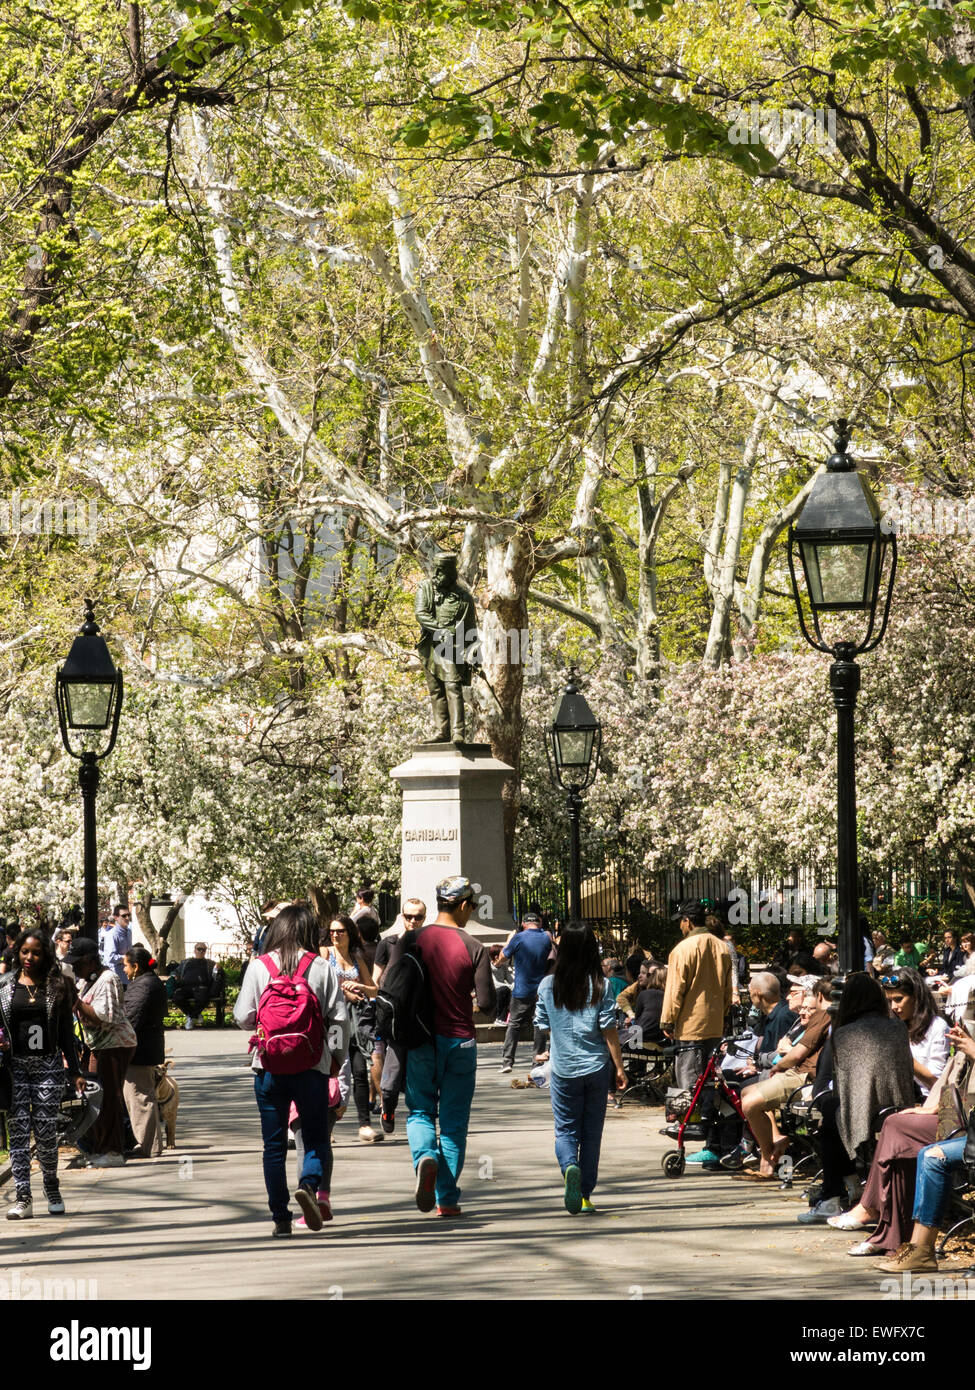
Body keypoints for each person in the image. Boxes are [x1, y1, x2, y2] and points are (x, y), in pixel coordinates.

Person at [234, 902, 350, 1235]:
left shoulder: (259, 967)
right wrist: (336, 1058)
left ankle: (280, 1218)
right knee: (314, 1137)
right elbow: (339, 1020)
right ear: (309, 933)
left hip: (268, 1067)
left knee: (272, 1146)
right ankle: (310, 1187)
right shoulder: (322, 967)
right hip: (312, 1066)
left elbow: (243, 1017)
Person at [387, 875, 495, 1217]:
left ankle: (425, 1158)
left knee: (419, 1111)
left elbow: (392, 986)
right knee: (453, 1124)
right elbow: (490, 1003)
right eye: (472, 906)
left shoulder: (413, 939)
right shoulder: (473, 947)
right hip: (460, 1041)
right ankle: (447, 1199)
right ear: (463, 905)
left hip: (420, 1040)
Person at [830, 1015, 975, 1258]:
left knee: (912, 1142)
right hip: (960, 1118)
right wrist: (932, 1107)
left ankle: (879, 1218)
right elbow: (954, 1082)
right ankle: (890, 1235)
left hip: (967, 1128)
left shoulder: (936, 1027)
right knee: (897, 1129)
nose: (895, 1007)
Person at [799, 972, 915, 1222]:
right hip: (898, 1104)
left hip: (864, 1112)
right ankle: (847, 1186)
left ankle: (835, 1193)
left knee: (829, 1115)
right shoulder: (897, 1027)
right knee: (832, 1116)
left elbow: (844, 1085)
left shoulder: (843, 1034)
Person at [534, 921, 627, 1214]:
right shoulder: (602, 985)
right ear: (591, 950)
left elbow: (541, 1024)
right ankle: (585, 1194)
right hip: (596, 1067)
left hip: (563, 1068)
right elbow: (609, 1030)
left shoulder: (548, 985)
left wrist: (549, 1050)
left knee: (565, 1130)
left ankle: (569, 1167)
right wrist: (620, 1068)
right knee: (591, 1134)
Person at [0, 928, 85, 1219]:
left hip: (48, 1066)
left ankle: (51, 1186)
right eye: (25, 951)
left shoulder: (56, 986)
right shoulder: (5, 986)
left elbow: (64, 1033)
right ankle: (23, 1196)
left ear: (45, 954)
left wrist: (74, 1070)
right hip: (15, 1068)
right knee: (19, 1132)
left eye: (36, 952)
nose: (29, 957)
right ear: (17, 952)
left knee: (47, 1131)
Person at [738, 984, 830, 1179]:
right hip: (795, 1072)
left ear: (820, 996)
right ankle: (775, 1141)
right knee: (746, 1092)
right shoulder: (813, 1019)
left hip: (803, 1077)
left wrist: (777, 1066)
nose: (803, 1012)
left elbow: (797, 1054)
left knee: (750, 1103)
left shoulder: (824, 1016)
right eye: (802, 1008)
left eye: (809, 1008)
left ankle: (767, 1156)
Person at [67, 936, 138, 1167]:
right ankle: (100, 1147)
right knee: (95, 1096)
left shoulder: (107, 979)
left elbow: (102, 1018)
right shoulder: (88, 981)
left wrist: (76, 1002)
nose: (75, 968)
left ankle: (114, 1150)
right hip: (98, 1046)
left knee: (108, 1097)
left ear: (90, 960)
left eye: (78, 963)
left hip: (115, 1044)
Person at [660, 900, 732, 1091]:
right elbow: (727, 988)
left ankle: (691, 1119)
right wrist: (724, 1015)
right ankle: (709, 1116)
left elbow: (675, 990)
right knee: (711, 1079)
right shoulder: (722, 947)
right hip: (715, 1023)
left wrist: (667, 1021)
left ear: (687, 921)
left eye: (680, 922)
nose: (680, 926)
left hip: (690, 1025)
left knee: (689, 1078)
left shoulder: (682, 949)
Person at [322, 914, 382, 1142]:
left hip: (356, 1023)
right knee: (332, 1072)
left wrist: (359, 986)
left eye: (340, 931)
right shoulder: (325, 953)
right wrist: (343, 992)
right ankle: (326, 1128)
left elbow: (374, 990)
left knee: (359, 1071)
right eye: (332, 931)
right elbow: (320, 983)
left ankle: (364, 1125)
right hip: (333, 1023)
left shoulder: (357, 956)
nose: (335, 935)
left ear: (350, 933)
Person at [374, 899, 426, 1135]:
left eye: (418, 917)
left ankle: (421, 1117)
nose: (413, 921)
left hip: (423, 1016)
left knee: (421, 1070)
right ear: (402, 917)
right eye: (409, 916)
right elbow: (377, 981)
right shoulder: (389, 943)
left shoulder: (430, 944)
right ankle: (388, 1108)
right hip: (396, 1017)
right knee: (392, 1069)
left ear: (425, 918)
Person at [121, 946, 168, 1159]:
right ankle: (150, 1144)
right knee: (141, 1095)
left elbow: (131, 1018)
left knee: (139, 1096)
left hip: (139, 1050)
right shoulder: (149, 982)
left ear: (136, 966)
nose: (124, 969)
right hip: (145, 1047)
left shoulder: (143, 986)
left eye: (125, 965)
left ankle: (147, 1145)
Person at [882, 967, 950, 1097]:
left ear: (915, 997)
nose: (893, 1007)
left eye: (898, 999)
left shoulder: (937, 1027)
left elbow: (936, 1084)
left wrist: (903, 1056)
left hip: (924, 1100)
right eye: (889, 1001)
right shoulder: (892, 1025)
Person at [499, 911, 553, 1074]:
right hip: (542, 989)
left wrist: (509, 940)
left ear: (523, 924)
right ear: (540, 922)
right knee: (540, 1025)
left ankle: (507, 1061)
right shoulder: (546, 937)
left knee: (514, 1024)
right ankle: (537, 1062)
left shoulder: (518, 938)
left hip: (522, 989)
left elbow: (502, 958)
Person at [172, 943, 225, 1030]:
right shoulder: (186, 962)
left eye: (203, 950)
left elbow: (218, 975)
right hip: (186, 987)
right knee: (177, 996)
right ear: (194, 950)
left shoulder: (210, 963)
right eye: (199, 949)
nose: (201, 951)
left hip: (201, 988)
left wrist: (218, 969)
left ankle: (191, 1017)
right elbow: (176, 971)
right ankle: (195, 1014)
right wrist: (174, 975)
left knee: (203, 997)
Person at [101, 904, 132, 982]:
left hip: (128, 976)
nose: (127, 918)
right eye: (124, 916)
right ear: (116, 917)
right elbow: (110, 957)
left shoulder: (128, 931)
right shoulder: (112, 934)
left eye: (129, 915)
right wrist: (125, 958)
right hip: (116, 978)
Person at [489, 944, 513, 1021]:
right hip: (494, 993)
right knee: (504, 989)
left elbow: (511, 980)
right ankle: (499, 1018)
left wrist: (515, 985)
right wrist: (510, 986)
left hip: (504, 991)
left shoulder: (504, 967)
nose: (506, 955)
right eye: (503, 953)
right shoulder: (488, 967)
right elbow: (495, 984)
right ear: (496, 957)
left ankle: (511, 1015)